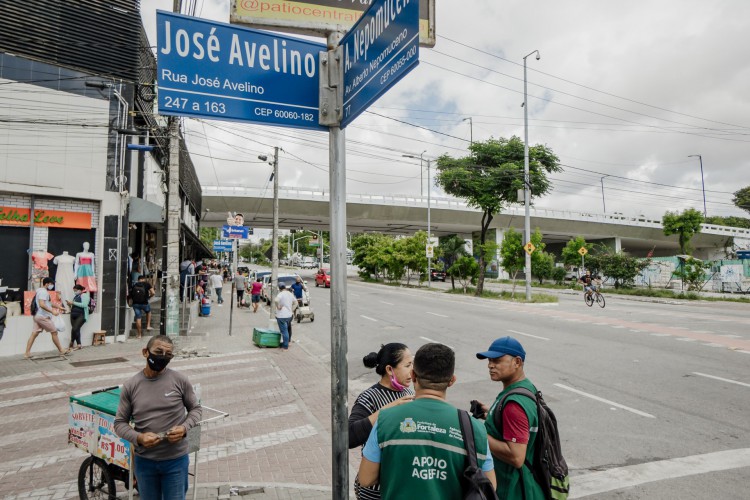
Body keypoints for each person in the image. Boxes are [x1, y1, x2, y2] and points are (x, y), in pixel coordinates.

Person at [358, 343, 496, 499]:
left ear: (414, 376)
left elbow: (365, 478)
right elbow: (489, 485)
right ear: (451, 381)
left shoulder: (385, 420)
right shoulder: (475, 429)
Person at [114, 335, 202, 500]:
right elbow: (120, 423)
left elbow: (196, 409)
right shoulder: (131, 385)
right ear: (145, 352)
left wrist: (184, 428)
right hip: (145, 462)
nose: (162, 357)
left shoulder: (180, 380)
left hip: (175, 460)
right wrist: (138, 437)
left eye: (168, 354)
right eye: (158, 351)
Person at [474, 336, 544, 500]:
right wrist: (489, 414)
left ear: (517, 362)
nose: (491, 365)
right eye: (489, 360)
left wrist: (476, 433)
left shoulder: (514, 404)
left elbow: (516, 456)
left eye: (497, 360)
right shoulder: (526, 387)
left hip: (512, 490)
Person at [349, 343, 415, 499]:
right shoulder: (369, 398)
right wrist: (385, 411)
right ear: (389, 369)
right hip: (375, 491)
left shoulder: (408, 393)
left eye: (412, 364)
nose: (412, 370)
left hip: (400, 487)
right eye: (407, 365)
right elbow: (349, 436)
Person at [25, 277, 69, 359]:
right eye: (51, 284)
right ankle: (61, 350)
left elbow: (48, 303)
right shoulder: (43, 292)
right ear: (46, 284)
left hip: (38, 316)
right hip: (43, 316)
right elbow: (42, 304)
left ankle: (27, 353)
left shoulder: (40, 291)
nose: (52, 286)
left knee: (34, 334)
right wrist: (52, 311)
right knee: (54, 332)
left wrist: (59, 307)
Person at [129, 275, 154, 339]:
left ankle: (139, 335)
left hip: (135, 304)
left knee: (138, 318)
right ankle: (148, 326)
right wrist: (149, 297)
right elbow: (153, 293)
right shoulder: (147, 284)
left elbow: (130, 295)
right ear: (144, 279)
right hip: (144, 303)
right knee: (148, 312)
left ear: (138, 279)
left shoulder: (134, 285)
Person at [67, 284, 89, 350]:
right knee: (76, 329)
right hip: (73, 315)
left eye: (76, 290)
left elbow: (84, 305)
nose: (75, 292)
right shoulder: (76, 296)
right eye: (74, 290)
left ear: (80, 290)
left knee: (75, 329)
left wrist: (73, 303)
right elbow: (74, 306)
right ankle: (79, 344)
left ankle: (71, 342)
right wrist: (69, 305)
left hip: (81, 315)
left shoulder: (84, 295)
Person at [274, 283, 295, 350]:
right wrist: (292, 310)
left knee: (284, 331)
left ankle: (285, 346)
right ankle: (287, 342)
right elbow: (296, 302)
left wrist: (278, 307)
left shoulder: (281, 294)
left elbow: (276, 300)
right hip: (289, 315)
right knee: (288, 329)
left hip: (282, 316)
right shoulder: (290, 293)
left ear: (279, 288)